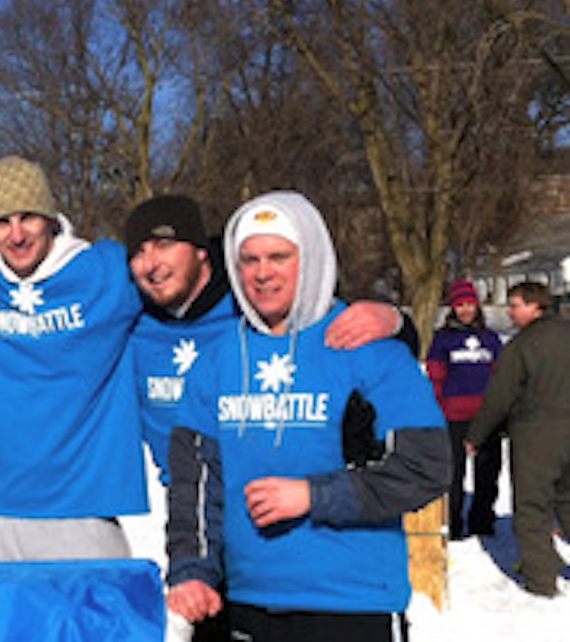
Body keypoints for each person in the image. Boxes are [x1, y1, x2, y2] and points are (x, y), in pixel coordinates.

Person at [165, 190, 450, 641]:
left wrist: (315, 496)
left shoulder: (368, 347)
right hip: (245, 602)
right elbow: (194, 483)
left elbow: (425, 467)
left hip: (352, 602)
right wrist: (191, 568)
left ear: (312, 257)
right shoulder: (215, 361)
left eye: (279, 256)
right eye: (249, 259)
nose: (262, 273)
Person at [0, 155, 146, 561]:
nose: (16, 235)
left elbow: (189, 278)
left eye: (28, 217)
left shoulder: (106, 271)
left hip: (83, 509)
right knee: (2, 625)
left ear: (51, 218)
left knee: (98, 624)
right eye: (2, 223)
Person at [125, 194, 412, 482]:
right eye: (137, 252)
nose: (151, 263)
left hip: (297, 495)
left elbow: (357, 334)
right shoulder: (128, 319)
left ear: (200, 250)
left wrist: (397, 322)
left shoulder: (255, 302)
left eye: (164, 245)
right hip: (193, 501)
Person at [465, 281, 570, 598]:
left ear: (536, 306)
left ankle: (541, 580)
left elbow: (500, 397)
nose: (509, 312)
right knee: (568, 501)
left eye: (515, 305)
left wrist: (476, 435)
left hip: (537, 435)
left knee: (531, 506)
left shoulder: (522, 346)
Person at [427, 279, 504, 540]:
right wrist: (437, 408)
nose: (466, 310)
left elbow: (502, 376)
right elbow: (435, 376)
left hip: (487, 416)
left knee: (488, 473)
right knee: (453, 475)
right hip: (453, 417)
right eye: (460, 305)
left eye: (470, 304)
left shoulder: (491, 339)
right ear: (452, 308)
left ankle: (482, 521)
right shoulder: (442, 340)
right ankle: (454, 524)